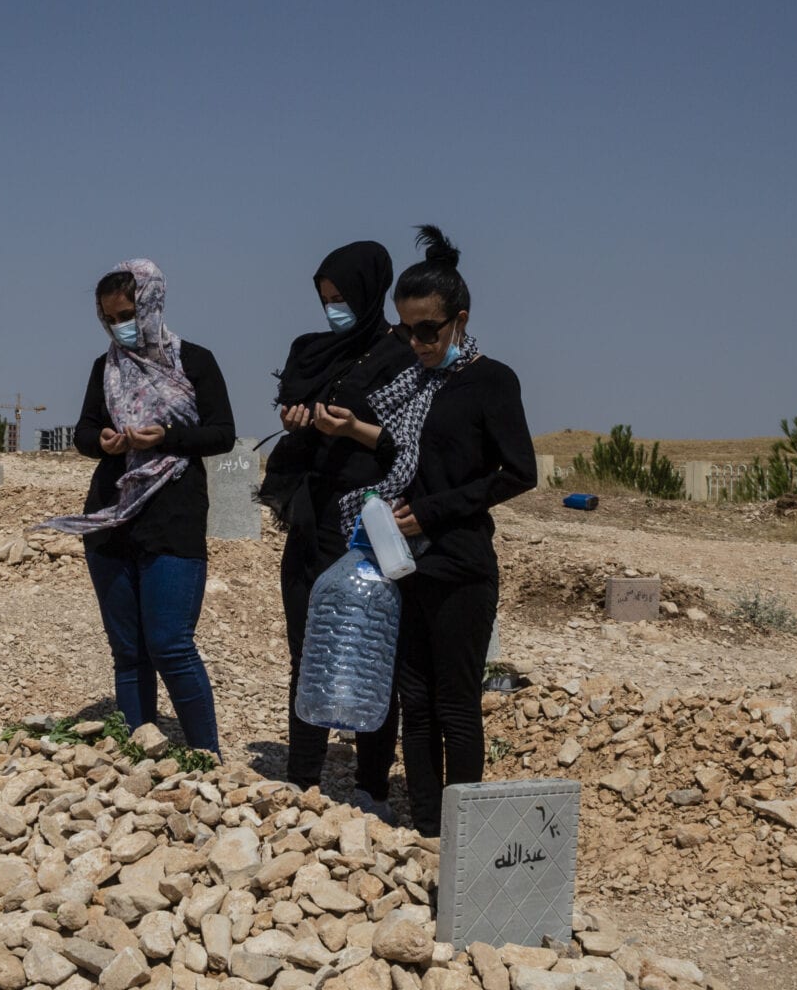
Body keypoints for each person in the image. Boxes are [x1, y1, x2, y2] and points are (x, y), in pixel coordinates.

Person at [309, 226, 534, 833]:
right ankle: (426, 830)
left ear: (459, 320)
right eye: (407, 330)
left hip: (459, 564)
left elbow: (517, 473)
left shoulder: (492, 381)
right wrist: (352, 431)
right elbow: (408, 452)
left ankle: (462, 841)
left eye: (428, 330)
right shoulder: (416, 386)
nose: (417, 342)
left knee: (456, 706)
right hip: (404, 563)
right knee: (415, 705)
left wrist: (432, 511)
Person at [41, 260, 236, 754]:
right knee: (128, 652)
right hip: (112, 518)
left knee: (170, 643)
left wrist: (167, 436)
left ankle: (206, 760)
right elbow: (85, 430)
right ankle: (140, 752)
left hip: (172, 516)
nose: (119, 326)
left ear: (150, 305)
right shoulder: (104, 368)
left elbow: (221, 433)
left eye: (126, 314)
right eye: (109, 319)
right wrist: (103, 441)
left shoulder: (194, 361)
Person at [264, 241, 414, 802]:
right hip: (314, 517)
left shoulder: (400, 356)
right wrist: (297, 418)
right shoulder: (311, 350)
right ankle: (303, 780)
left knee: (373, 651)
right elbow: (292, 405)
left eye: (342, 298)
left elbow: (407, 444)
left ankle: (372, 783)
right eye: (325, 299)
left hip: (370, 524)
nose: (333, 310)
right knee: (310, 650)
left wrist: (354, 430)